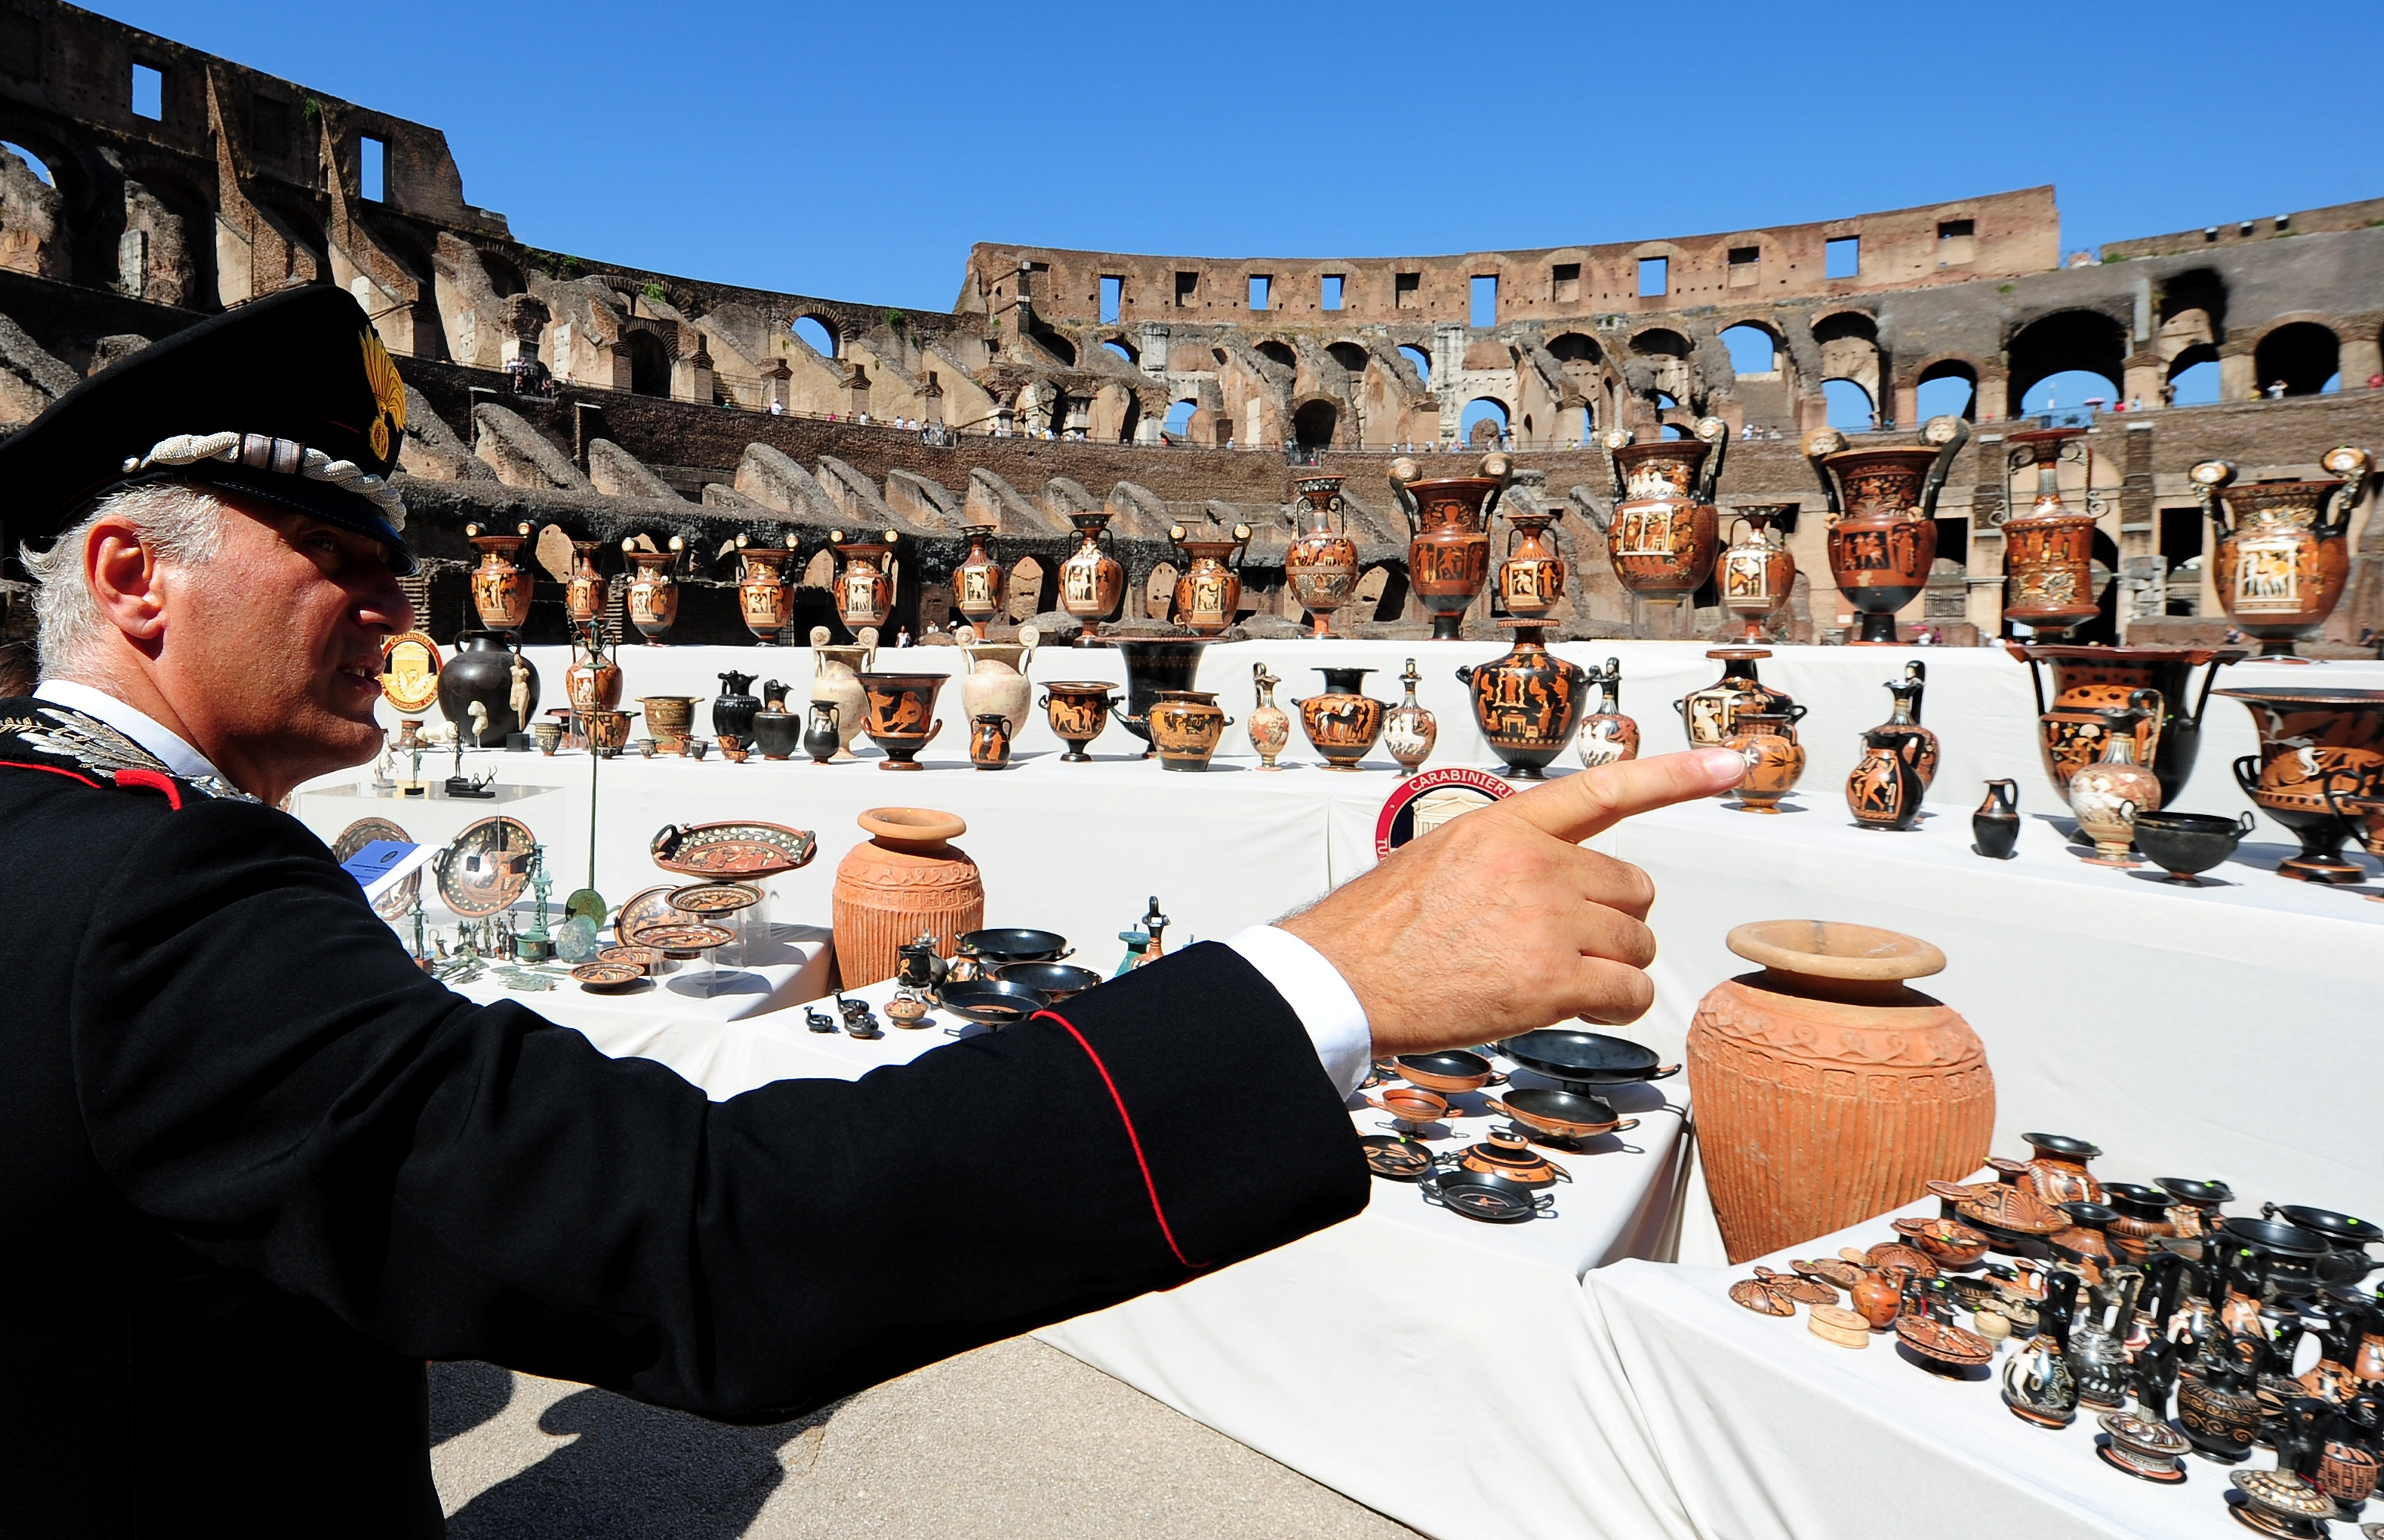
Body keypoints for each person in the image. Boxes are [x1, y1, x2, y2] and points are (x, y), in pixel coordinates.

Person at [0, 290, 1740, 1533]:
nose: (399, 599)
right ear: (131, 575)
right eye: (332, 548)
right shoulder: (168, 894)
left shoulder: (58, 834)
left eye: (396, 554)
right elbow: (720, 1238)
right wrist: (1324, 976)